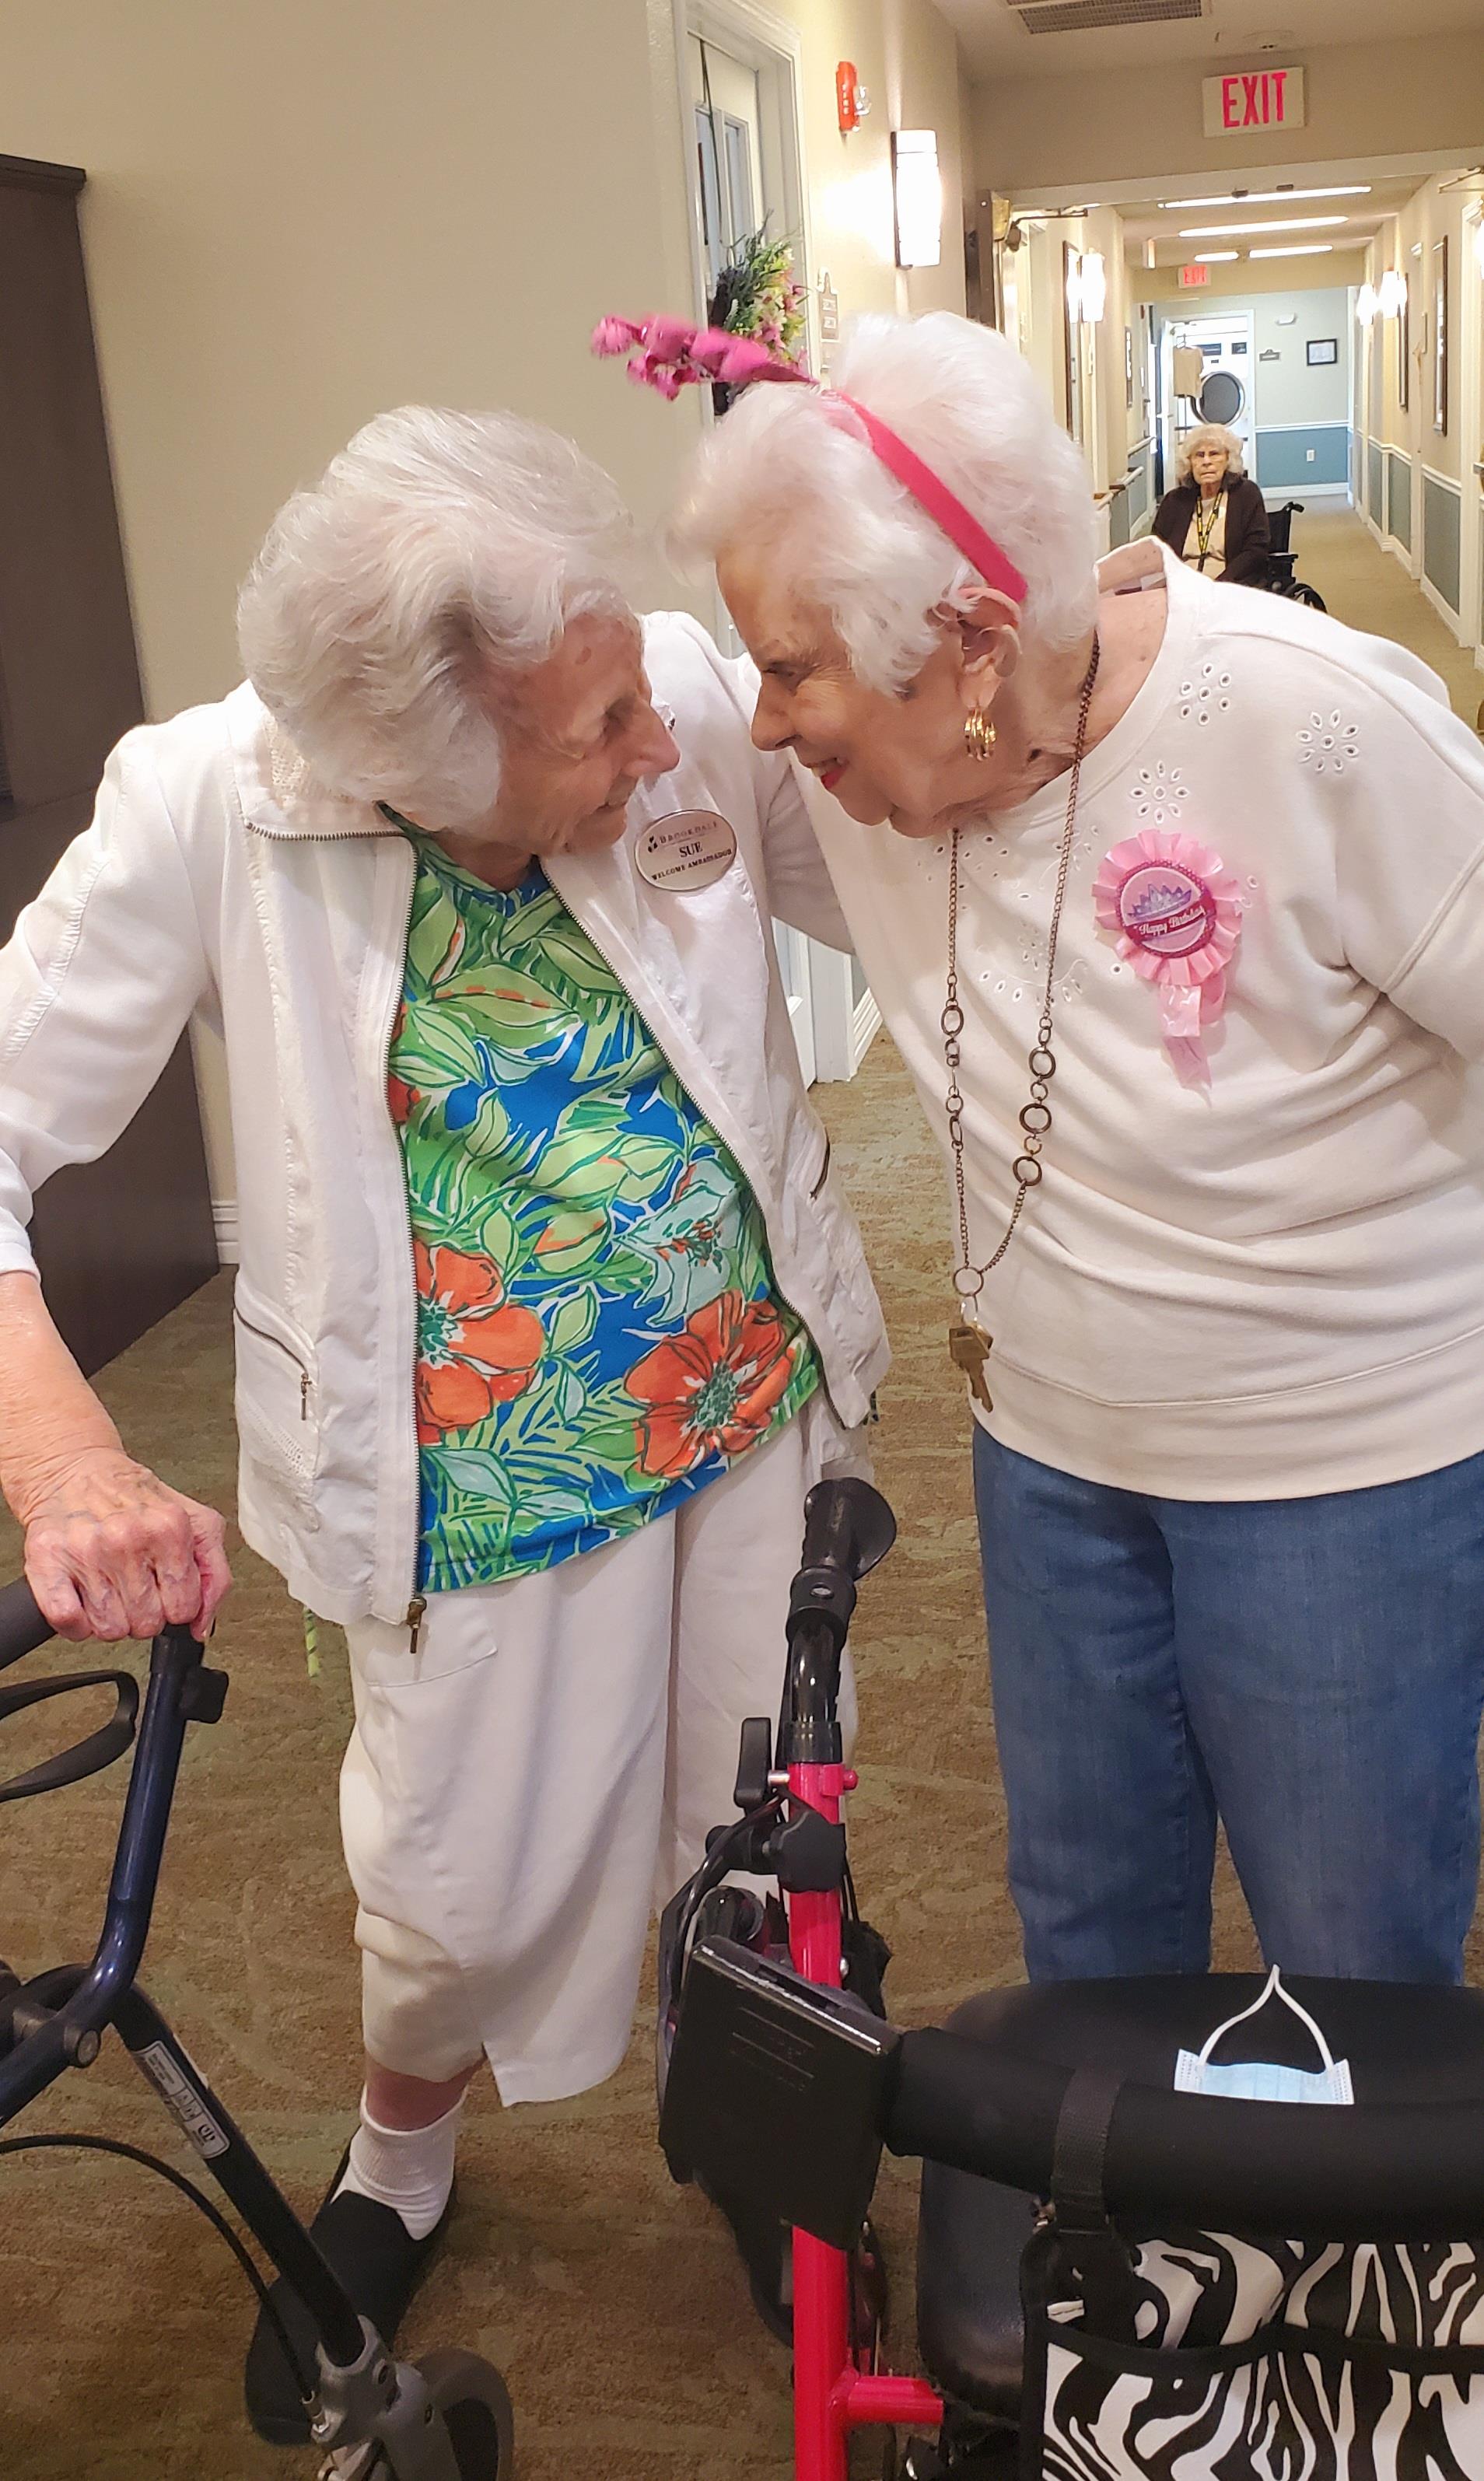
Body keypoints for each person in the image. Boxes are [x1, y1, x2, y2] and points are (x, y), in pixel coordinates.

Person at [0, 407, 886, 2439]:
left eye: (634, 687)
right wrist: (61, 1453)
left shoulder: (662, 689)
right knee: (453, 1893)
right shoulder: (209, 808)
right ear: (418, 770)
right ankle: (401, 2158)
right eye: (592, 734)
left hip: (746, 1400)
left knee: (764, 1818)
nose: (657, 742)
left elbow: (904, 874)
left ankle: (758, 2141)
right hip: (466, 1484)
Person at [649, 306, 1484, 1998]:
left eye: (792, 669)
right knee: (1087, 1932)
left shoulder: (1311, 722)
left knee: (1351, 1953)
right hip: (1045, 1453)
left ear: (968, 643)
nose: (767, 724)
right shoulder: (862, 774)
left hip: (1343, 1466)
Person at [1151, 422, 1272, 584]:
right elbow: (1156, 549)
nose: (1206, 461)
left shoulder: (1246, 494)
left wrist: (1219, 584)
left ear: (1228, 459)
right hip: (1180, 585)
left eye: (1214, 454)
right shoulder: (1174, 501)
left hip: (1229, 585)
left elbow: (1255, 550)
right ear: (1190, 462)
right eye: (1199, 455)